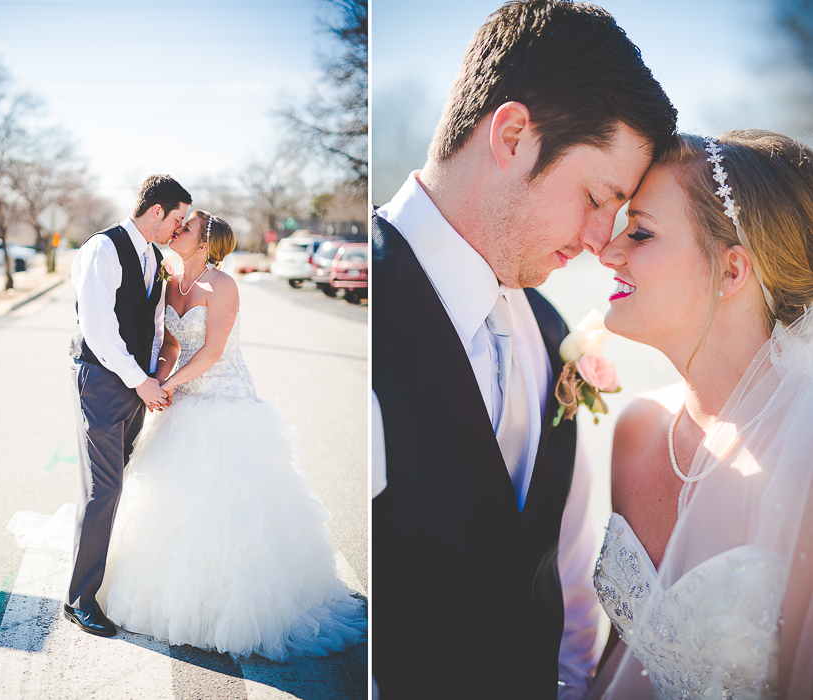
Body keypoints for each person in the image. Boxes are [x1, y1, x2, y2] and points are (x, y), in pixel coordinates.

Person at [371, 1, 677, 698]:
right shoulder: (375, 313)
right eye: (598, 197)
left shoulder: (549, 328)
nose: (602, 242)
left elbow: (564, 565)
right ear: (511, 136)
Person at [590, 130, 813, 698]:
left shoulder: (805, 459)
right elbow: (623, 657)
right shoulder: (638, 432)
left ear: (733, 271)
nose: (608, 251)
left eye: (640, 232)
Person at [97, 211, 366, 660]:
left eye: (185, 228)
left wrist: (168, 385)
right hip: (182, 400)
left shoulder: (223, 286)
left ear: (204, 243)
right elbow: (171, 345)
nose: (176, 231)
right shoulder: (170, 280)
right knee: (173, 503)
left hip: (225, 400)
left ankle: (227, 603)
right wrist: (156, 383)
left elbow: (213, 351)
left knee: (229, 510)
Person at [66, 174, 192, 637]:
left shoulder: (155, 257)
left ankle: (93, 580)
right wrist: (141, 382)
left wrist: (157, 376)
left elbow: (155, 325)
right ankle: (80, 599)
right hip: (102, 382)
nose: (179, 229)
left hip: (138, 385)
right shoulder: (102, 249)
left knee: (119, 481)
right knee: (104, 490)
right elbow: (97, 329)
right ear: (155, 211)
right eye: (176, 219)